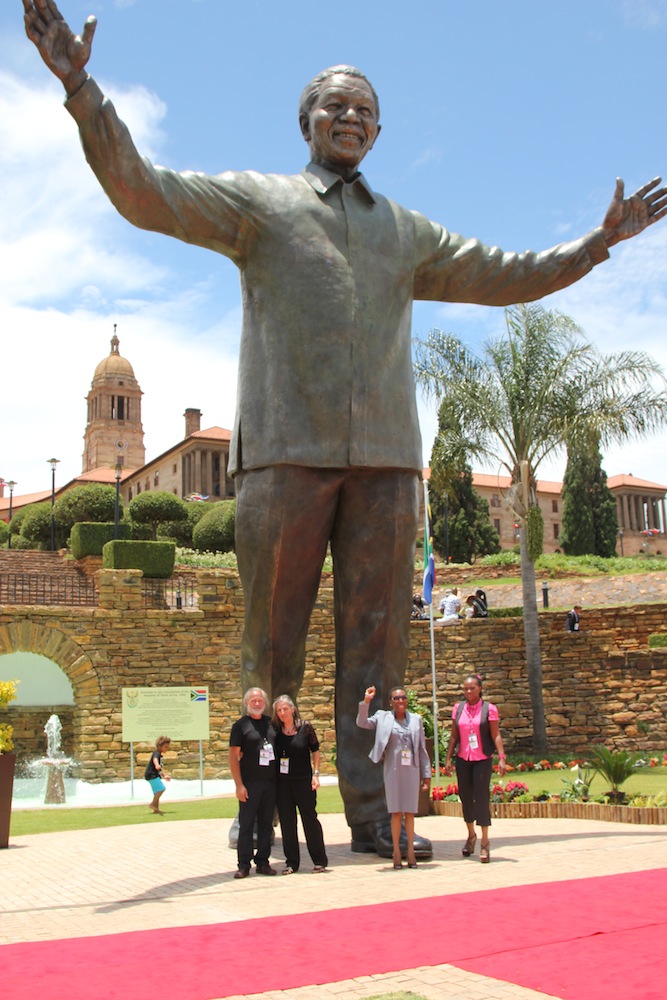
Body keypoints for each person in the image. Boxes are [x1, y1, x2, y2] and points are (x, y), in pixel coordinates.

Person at [23, 0, 667, 858]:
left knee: (378, 651)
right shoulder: (260, 204)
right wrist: (82, 91)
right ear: (306, 121)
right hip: (284, 455)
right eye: (336, 105)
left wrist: (594, 246)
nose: (351, 117)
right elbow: (145, 193)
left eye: (365, 109)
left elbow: (508, 274)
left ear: (378, 129)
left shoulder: (406, 232)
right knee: (270, 650)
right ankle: (263, 814)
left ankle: (372, 812)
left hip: (387, 465)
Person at [356, 685, 431, 868]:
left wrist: (426, 775)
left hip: (411, 770)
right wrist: (366, 701)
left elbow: (421, 748)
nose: (400, 701)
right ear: (391, 702)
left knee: (410, 812)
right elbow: (362, 722)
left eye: (403, 698)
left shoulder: (416, 720)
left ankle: (411, 853)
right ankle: (397, 852)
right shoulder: (383, 717)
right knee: (396, 812)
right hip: (393, 769)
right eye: (396, 698)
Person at [444, 673, 506, 863]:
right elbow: (454, 736)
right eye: (465, 689)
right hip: (464, 758)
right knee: (466, 797)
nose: (468, 691)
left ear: (480, 689)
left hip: (482, 758)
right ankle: (471, 835)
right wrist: (448, 759)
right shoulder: (458, 708)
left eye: (472, 688)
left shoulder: (489, 709)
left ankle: (485, 841)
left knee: (481, 797)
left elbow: (495, 735)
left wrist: (501, 757)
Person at [272, 695, 328, 875]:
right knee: (288, 823)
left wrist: (316, 774)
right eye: (279, 710)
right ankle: (292, 863)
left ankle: (319, 861)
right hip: (283, 784)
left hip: (303, 781)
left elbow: (316, 750)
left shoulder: (305, 728)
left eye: (285, 709)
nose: (282, 713)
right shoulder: (276, 730)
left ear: (292, 709)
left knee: (310, 820)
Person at [228, 688, 278, 878]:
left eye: (260, 700)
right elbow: (233, 757)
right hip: (250, 783)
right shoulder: (240, 726)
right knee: (246, 825)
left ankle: (263, 862)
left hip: (270, 783)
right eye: (253, 700)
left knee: (266, 824)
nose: (257, 703)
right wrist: (239, 785)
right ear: (246, 703)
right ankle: (243, 864)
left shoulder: (271, 724)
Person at [144, 735, 171, 814]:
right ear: (159, 746)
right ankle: (152, 804)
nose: (167, 749)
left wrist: (164, 775)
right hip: (151, 775)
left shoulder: (160, 755)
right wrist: (156, 764)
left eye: (167, 747)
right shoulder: (157, 753)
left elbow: (159, 768)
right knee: (161, 789)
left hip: (152, 775)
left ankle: (156, 809)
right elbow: (155, 759)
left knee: (157, 792)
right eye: (165, 747)